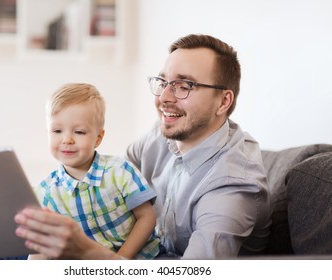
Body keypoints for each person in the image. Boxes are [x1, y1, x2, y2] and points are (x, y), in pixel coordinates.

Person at [14, 34, 271, 259]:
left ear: (223, 101)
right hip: (126, 255)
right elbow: (106, 180)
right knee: (4, 249)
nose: (164, 99)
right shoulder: (162, 135)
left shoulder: (233, 183)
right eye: (163, 82)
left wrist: (86, 252)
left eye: (184, 86)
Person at [26, 83, 160, 260]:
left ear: (98, 138)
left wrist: (121, 260)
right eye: (57, 131)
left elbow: (147, 217)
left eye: (79, 132)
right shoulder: (45, 193)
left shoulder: (120, 171)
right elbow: (42, 249)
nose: (67, 139)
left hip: (140, 258)